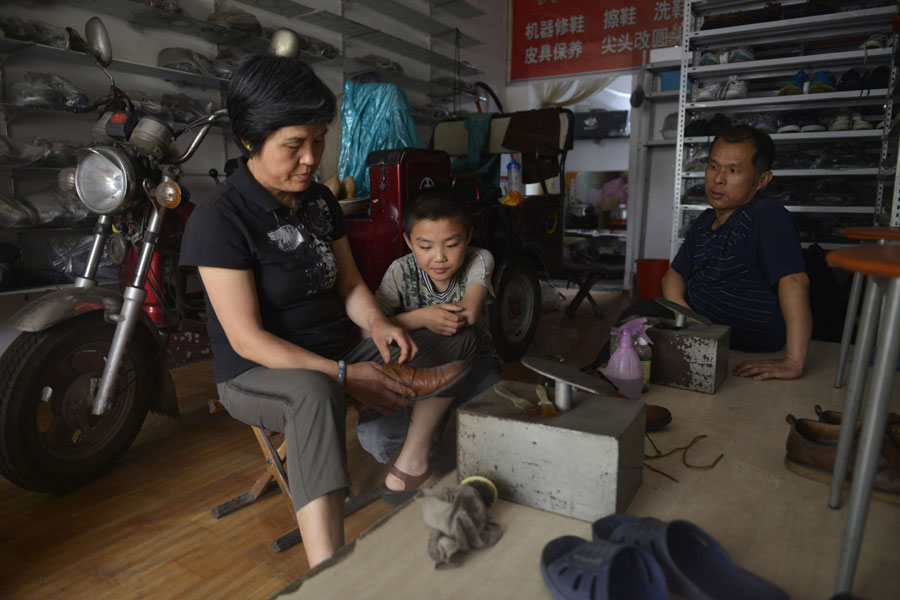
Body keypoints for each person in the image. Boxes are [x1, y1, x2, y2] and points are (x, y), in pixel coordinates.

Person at [179, 55, 475, 568]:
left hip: (336, 350)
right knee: (314, 394)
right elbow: (247, 340)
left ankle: (408, 463)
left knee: (455, 333)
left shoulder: (318, 201)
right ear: (251, 139)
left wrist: (379, 324)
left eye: (319, 140)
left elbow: (351, 285)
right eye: (294, 145)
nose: (311, 158)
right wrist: (342, 375)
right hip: (257, 372)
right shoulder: (219, 218)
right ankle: (330, 573)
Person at [591, 125, 811, 381]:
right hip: (702, 325)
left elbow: (794, 281)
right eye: (713, 166)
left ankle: (598, 377)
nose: (718, 179)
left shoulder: (767, 216)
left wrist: (793, 362)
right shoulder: (705, 222)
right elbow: (673, 275)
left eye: (733, 170)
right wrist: (685, 315)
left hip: (743, 337)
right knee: (636, 315)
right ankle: (597, 375)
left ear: (762, 180)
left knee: (637, 324)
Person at [356, 189, 502, 465]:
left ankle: (433, 440)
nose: (439, 257)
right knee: (378, 440)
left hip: (474, 368)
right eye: (425, 247)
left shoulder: (480, 259)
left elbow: (467, 315)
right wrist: (421, 318)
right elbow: (367, 329)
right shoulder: (400, 271)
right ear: (409, 242)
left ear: (468, 237)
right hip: (420, 374)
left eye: (451, 244)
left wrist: (396, 323)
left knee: (499, 422)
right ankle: (433, 439)